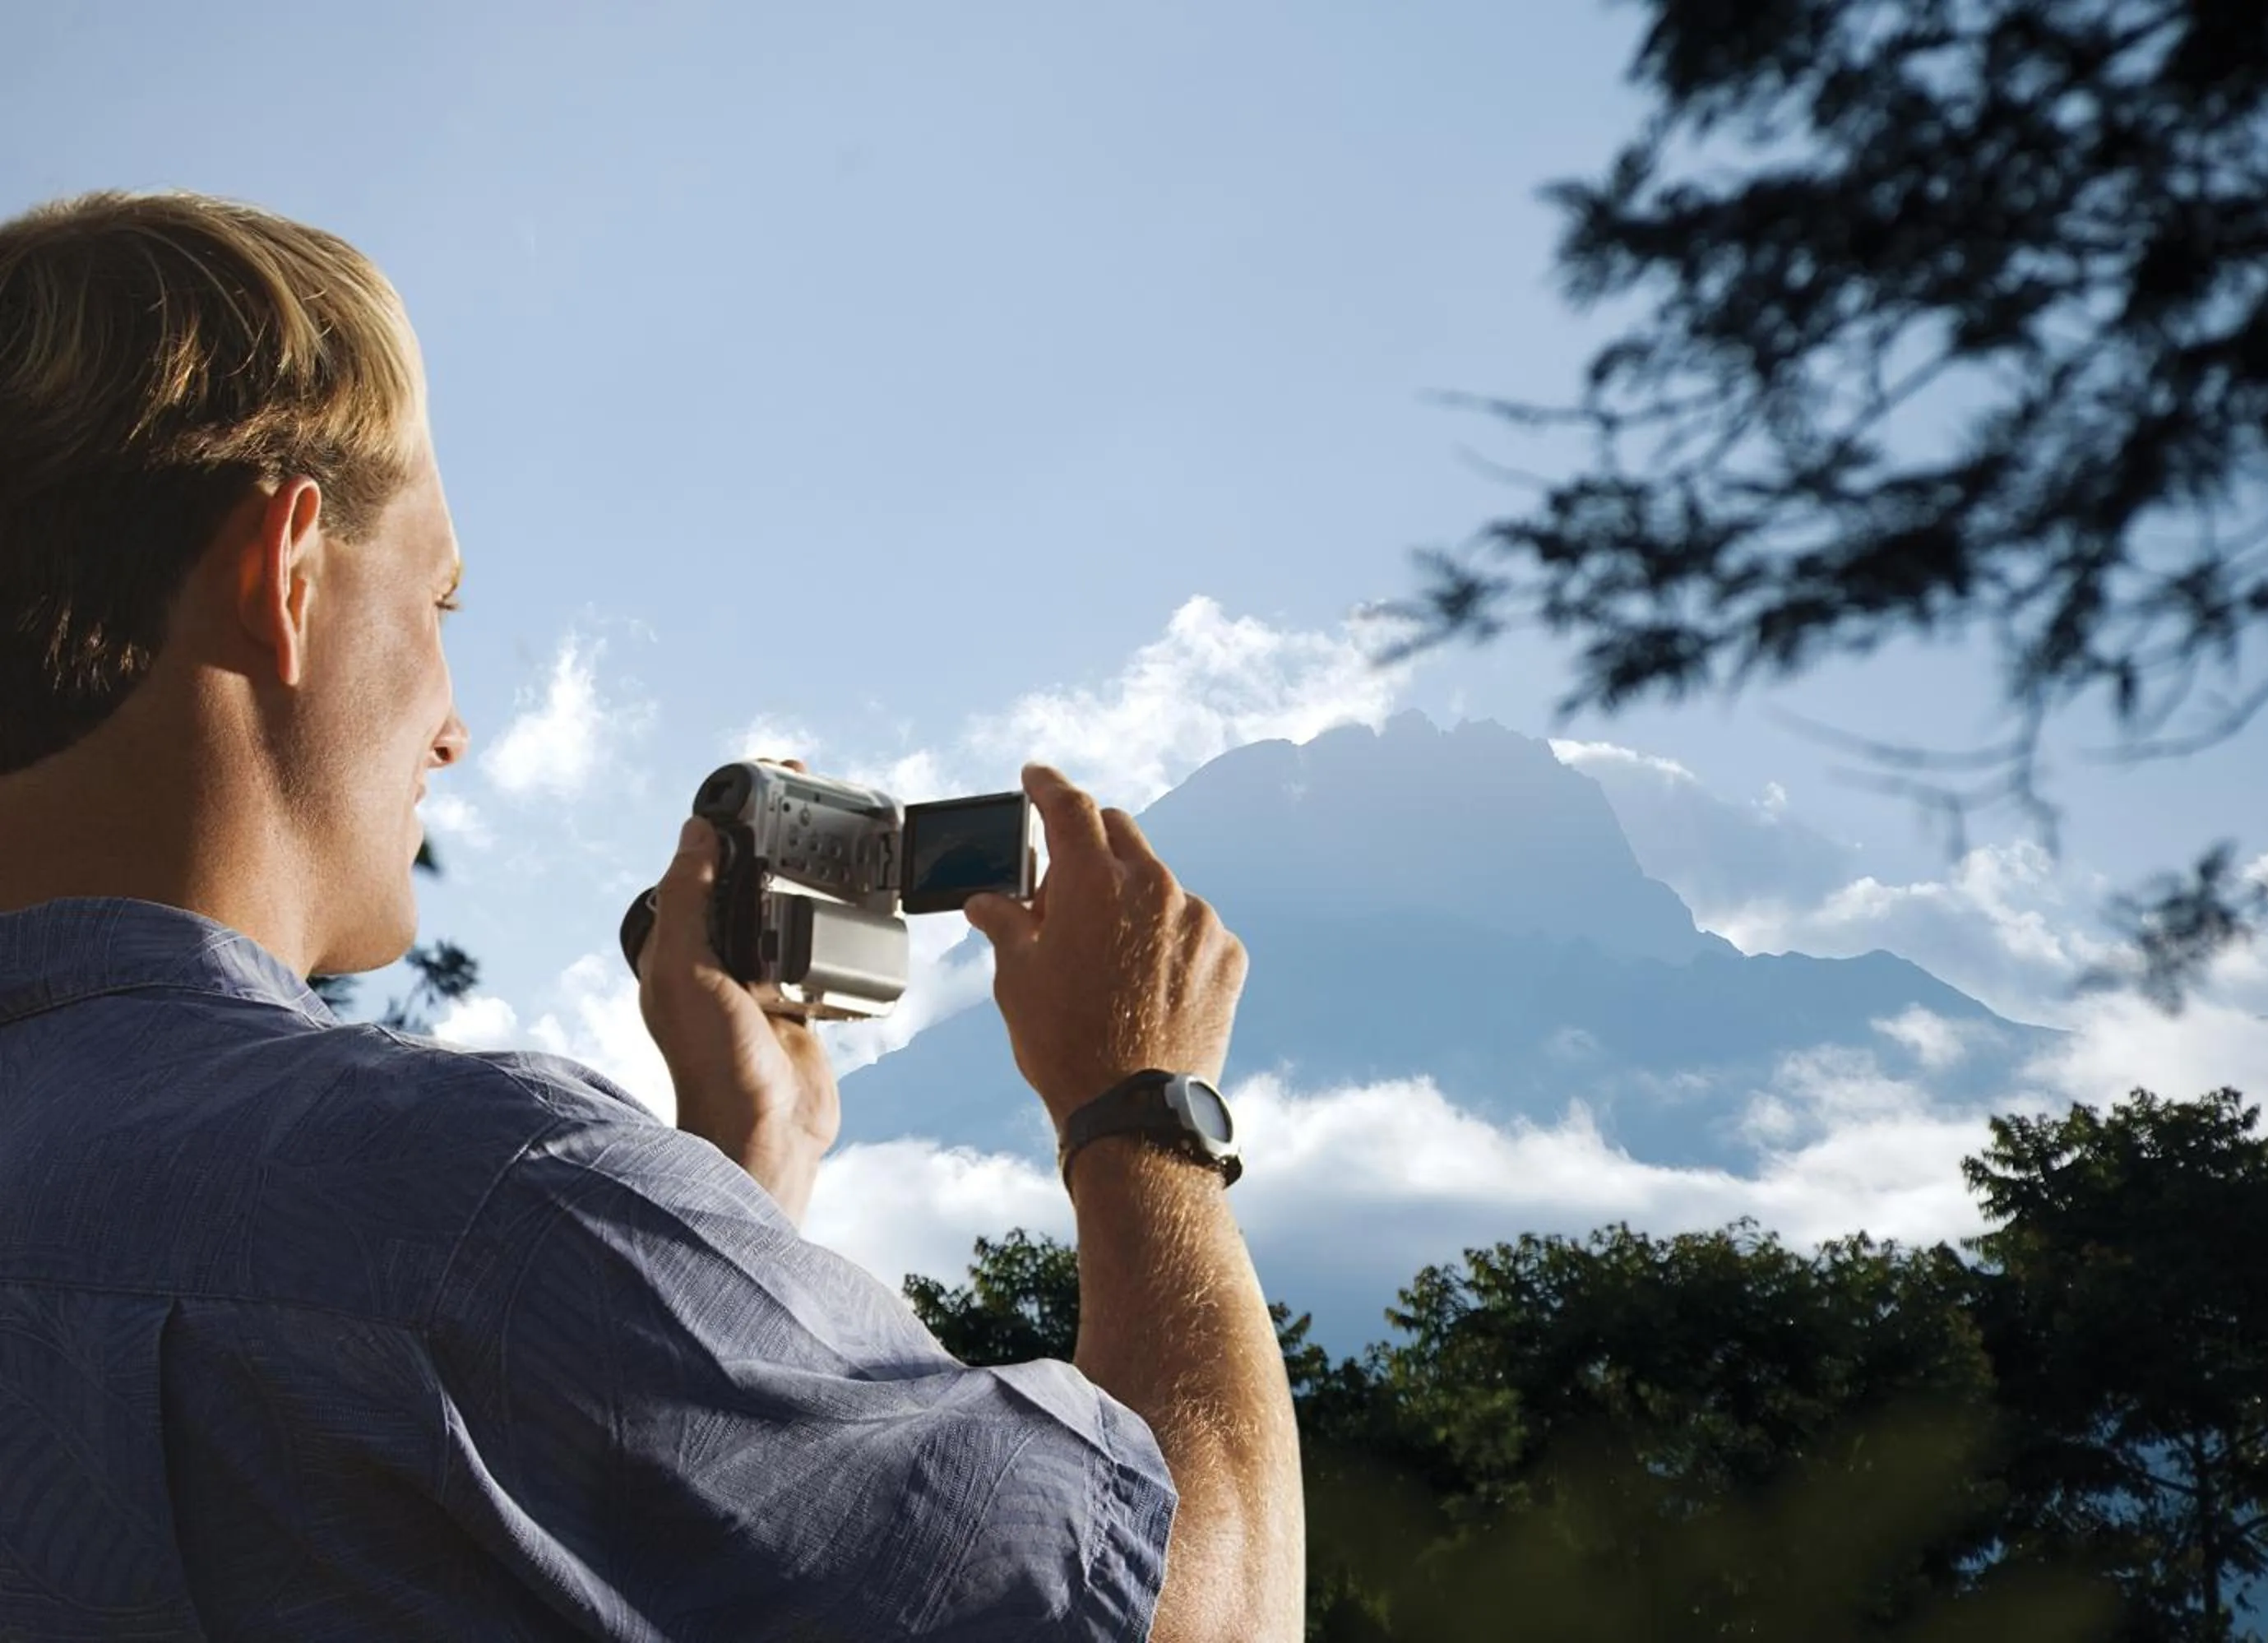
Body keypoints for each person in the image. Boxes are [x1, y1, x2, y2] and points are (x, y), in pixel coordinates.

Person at [0, 190, 1303, 1641]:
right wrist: (1144, 1111)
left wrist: (740, 1175)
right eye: (440, 600)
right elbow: (1201, 1616)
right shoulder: (484, 1207)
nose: (454, 725)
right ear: (283, 571)